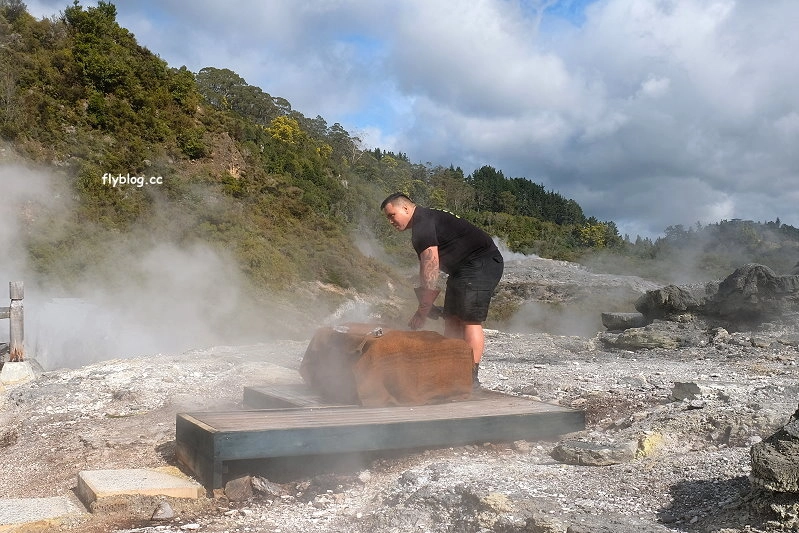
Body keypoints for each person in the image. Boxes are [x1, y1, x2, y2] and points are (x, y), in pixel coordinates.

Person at [380, 192, 504, 388]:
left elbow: (431, 263)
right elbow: (427, 266)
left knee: (469, 320)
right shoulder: (423, 222)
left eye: (391, 215)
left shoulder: (423, 222)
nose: (390, 221)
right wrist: (425, 305)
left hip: (482, 263)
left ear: (405, 208)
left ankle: (470, 379)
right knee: (451, 318)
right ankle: (450, 369)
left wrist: (423, 309)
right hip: (461, 270)